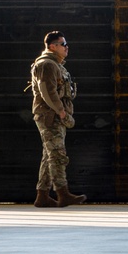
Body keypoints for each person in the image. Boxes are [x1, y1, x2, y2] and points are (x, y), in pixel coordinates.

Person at [30, 31, 86, 208]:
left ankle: (42, 195)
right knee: (57, 155)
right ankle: (63, 193)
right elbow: (47, 91)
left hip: (53, 115)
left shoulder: (56, 65)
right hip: (50, 116)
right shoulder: (47, 64)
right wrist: (61, 111)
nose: (66, 46)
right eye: (63, 44)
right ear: (52, 46)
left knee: (49, 155)